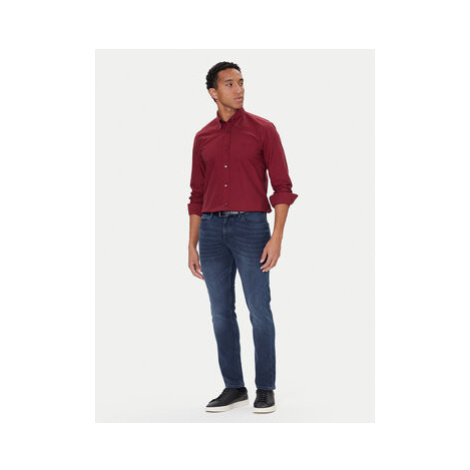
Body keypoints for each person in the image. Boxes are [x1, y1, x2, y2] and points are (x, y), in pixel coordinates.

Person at [187, 61, 298, 413]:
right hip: (211, 232)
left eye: (241, 82)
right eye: (230, 84)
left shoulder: (264, 130)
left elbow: (282, 188)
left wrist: (276, 237)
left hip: (251, 228)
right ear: (213, 92)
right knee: (220, 313)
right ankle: (234, 387)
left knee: (259, 310)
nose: (239, 89)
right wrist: (191, 244)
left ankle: (265, 387)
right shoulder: (203, 137)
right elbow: (196, 195)